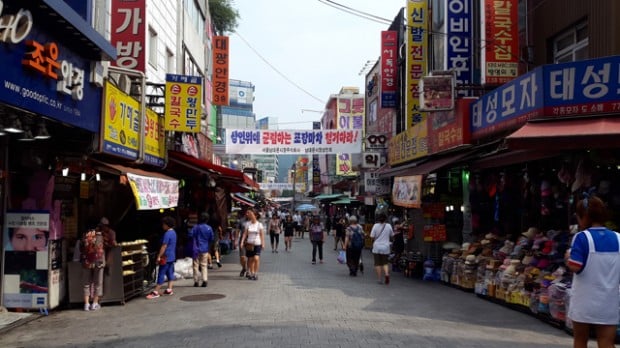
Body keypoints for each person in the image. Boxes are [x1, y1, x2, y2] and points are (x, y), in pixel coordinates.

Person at [565, 194, 620, 348]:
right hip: (609, 301)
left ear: (584, 217)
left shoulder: (581, 238)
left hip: (584, 300)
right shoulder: (618, 238)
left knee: (581, 341)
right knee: (606, 342)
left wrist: (567, 258)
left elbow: (575, 266)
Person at [147, 216, 177, 299]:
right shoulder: (173, 232)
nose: (162, 226)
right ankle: (169, 289)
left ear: (167, 225)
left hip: (165, 256)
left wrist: (159, 256)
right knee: (170, 272)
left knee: (161, 273)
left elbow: (164, 246)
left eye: (163, 224)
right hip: (172, 256)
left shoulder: (167, 234)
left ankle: (156, 291)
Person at [80, 226, 105, 311]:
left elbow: (80, 248)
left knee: (86, 283)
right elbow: (109, 243)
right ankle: (94, 303)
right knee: (98, 283)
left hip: (87, 262)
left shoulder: (85, 236)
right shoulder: (100, 236)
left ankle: (86, 304)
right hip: (98, 262)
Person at [189, 212, 213, 287]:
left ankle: (196, 281)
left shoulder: (196, 227)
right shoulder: (209, 228)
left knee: (195, 265)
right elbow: (211, 238)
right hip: (205, 248)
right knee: (204, 265)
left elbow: (190, 235)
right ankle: (205, 280)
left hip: (196, 249)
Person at [240, 208, 264, 280]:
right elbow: (244, 234)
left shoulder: (259, 224)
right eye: (250, 214)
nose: (250, 215)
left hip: (257, 243)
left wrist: (263, 244)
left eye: (251, 214)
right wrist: (241, 242)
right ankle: (252, 272)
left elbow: (261, 235)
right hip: (249, 244)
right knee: (250, 259)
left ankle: (256, 273)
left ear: (255, 215)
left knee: (256, 258)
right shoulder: (248, 224)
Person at [370, 213, 394, 285]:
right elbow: (392, 235)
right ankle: (386, 274)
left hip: (377, 247)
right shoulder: (389, 226)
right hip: (386, 247)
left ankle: (379, 279)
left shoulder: (375, 226)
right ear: (386, 219)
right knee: (385, 263)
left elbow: (372, 236)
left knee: (378, 264)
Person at [235, 210, 249, 277]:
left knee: (249, 257)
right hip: (242, 241)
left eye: (249, 213)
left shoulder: (253, 221)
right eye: (246, 212)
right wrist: (236, 240)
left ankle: (248, 271)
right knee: (242, 257)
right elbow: (237, 230)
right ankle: (244, 268)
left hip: (251, 241)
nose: (247, 214)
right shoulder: (241, 221)